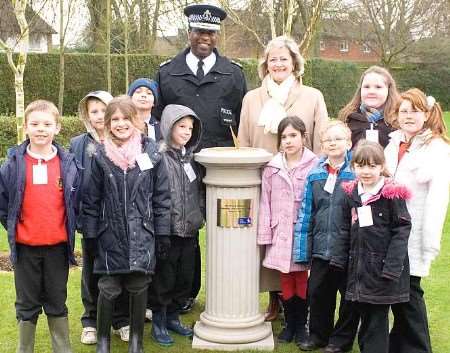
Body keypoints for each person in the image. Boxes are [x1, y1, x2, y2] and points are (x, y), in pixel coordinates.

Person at [154, 3, 247, 313]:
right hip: (179, 169)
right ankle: (184, 294)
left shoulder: (233, 75)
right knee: (184, 234)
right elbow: (158, 122)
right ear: (189, 33)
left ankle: (230, 289)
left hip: (221, 170)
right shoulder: (168, 72)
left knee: (229, 228)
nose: (204, 37)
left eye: (210, 32)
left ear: (217, 36)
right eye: (198, 31)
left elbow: (241, 123)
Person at [238, 35, 328, 321]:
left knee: (298, 244)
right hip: (263, 183)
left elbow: (322, 140)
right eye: (273, 59)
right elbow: (242, 140)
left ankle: (300, 307)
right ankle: (274, 299)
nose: (278, 63)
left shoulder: (312, 96)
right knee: (268, 241)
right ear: (266, 64)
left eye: (283, 59)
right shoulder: (252, 98)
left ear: (294, 63)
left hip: (302, 184)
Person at [82, 95, 171, 353]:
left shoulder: (152, 153)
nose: (120, 124)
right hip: (109, 234)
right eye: (115, 119)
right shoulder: (99, 155)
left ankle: (136, 341)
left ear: (136, 120)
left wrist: (162, 233)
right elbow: (91, 199)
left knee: (138, 285)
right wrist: (89, 235)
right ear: (108, 123)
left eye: (126, 118)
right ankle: (103, 341)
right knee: (108, 287)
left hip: (142, 233)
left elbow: (162, 197)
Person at [0, 100, 80, 353]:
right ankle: (25, 349)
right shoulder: (13, 164)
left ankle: (62, 349)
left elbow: (76, 202)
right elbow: (3, 205)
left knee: (57, 301)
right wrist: (18, 227)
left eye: (47, 124)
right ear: (25, 128)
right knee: (26, 304)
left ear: (57, 128)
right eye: (34, 124)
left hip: (57, 247)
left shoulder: (69, 164)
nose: (41, 129)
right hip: (25, 249)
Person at [330, 140, 412, 353]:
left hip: (382, 272)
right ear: (353, 166)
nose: (366, 171)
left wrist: (392, 267)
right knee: (361, 315)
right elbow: (342, 230)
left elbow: (402, 231)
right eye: (361, 165)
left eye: (372, 166)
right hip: (357, 271)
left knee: (376, 322)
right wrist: (339, 261)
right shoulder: (350, 194)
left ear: (382, 166)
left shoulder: (392, 195)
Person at [384, 88, 450, 353]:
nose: (408, 116)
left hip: (415, 231)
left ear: (426, 114)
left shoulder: (437, 148)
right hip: (390, 232)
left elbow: (438, 198)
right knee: (399, 293)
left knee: (410, 292)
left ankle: (419, 348)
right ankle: (398, 344)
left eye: (414, 111)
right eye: (403, 111)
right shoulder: (394, 142)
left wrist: (430, 239)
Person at [293, 121, 359, 353]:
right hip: (322, 247)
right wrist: (303, 249)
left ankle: (341, 341)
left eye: (338, 138)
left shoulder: (356, 173)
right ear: (322, 145)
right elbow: (306, 213)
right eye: (328, 139)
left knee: (349, 299)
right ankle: (319, 336)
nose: (332, 142)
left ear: (349, 143)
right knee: (318, 294)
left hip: (348, 249)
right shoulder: (315, 175)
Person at [71, 91, 130, 345]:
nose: (98, 116)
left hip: (122, 222)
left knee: (123, 272)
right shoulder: (78, 144)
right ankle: (90, 321)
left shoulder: (127, 141)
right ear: (87, 115)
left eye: (102, 110)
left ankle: (121, 319)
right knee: (92, 273)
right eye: (92, 111)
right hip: (92, 220)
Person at [257, 116, 318, 345]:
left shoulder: (314, 165)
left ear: (303, 137)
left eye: (293, 135)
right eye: (284, 137)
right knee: (285, 276)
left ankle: (301, 324)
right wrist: (265, 233)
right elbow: (265, 201)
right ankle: (289, 324)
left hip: (301, 231)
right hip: (280, 231)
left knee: (301, 275)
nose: (288, 141)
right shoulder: (272, 167)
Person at [149, 104, 205, 346]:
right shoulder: (157, 157)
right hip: (168, 229)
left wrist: (199, 214)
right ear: (169, 126)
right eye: (181, 126)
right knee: (164, 278)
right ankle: (159, 322)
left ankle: (173, 318)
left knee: (183, 277)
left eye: (190, 128)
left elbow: (199, 192)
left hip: (189, 229)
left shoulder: (191, 159)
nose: (186, 132)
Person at [338, 66, 399, 148]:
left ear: (388, 90)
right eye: (366, 87)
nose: (371, 91)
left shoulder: (399, 122)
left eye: (378, 87)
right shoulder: (347, 119)